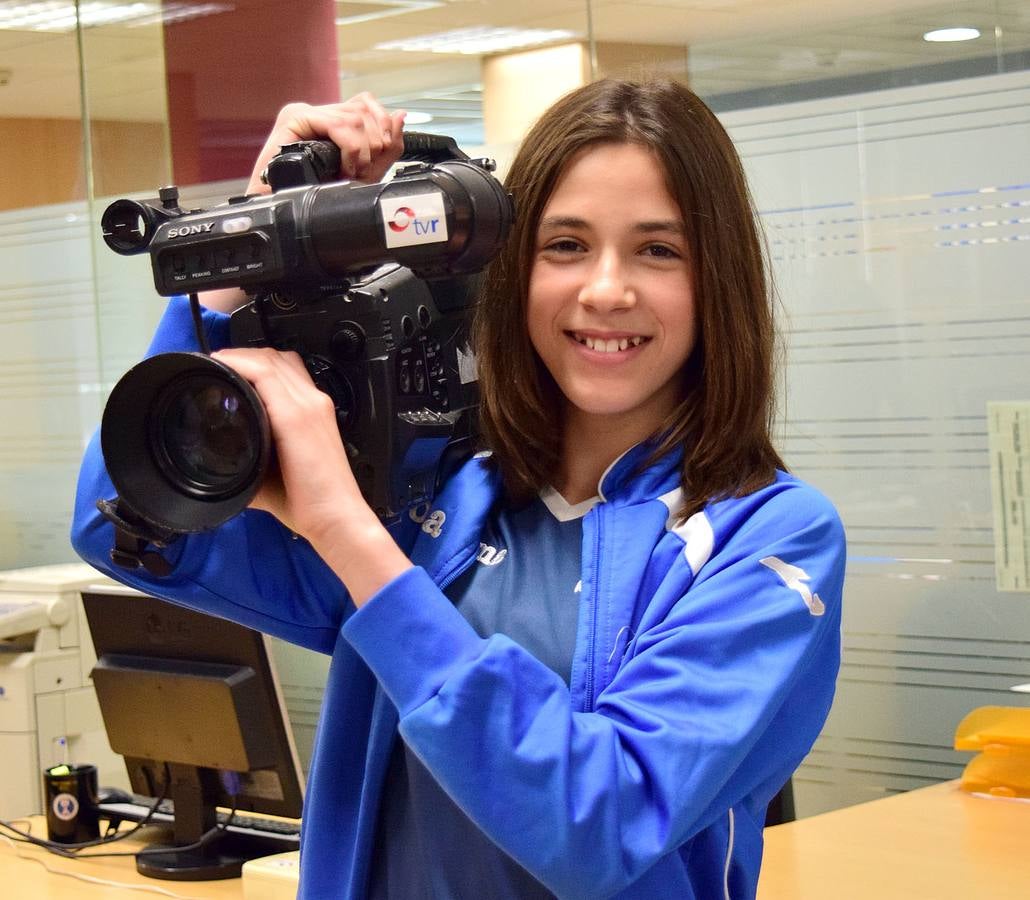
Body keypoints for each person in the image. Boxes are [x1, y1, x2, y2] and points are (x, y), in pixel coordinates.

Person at [72, 80, 846, 899]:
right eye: (566, 246)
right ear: (513, 273)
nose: (606, 290)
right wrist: (246, 240)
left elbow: (601, 823)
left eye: (658, 250)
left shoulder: (769, 539)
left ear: (716, 282)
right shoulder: (436, 490)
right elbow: (131, 527)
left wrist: (347, 533)